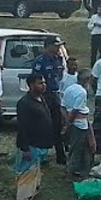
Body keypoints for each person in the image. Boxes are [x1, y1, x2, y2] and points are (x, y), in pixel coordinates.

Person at [15, 75, 53, 200]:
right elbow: (22, 127)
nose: (43, 85)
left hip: (40, 144)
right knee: (27, 176)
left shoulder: (41, 99)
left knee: (35, 176)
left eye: (44, 82)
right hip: (30, 146)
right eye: (39, 83)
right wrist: (25, 149)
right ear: (30, 85)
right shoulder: (24, 103)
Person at [31, 36, 69, 165]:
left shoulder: (59, 59)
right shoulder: (40, 61)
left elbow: (60, 77)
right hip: (44, 95)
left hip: (55, 94)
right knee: (43, 125)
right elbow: (35, 79)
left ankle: (60, 155)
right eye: (56, 45)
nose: (58, 48)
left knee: (57, 125)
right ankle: (41, 155)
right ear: (48, 46)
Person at [62, 69, 95, 181]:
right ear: (87, 79)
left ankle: (79, 171)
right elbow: (75, 110)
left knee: (78, 148)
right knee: (77, 149)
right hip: (79, 124)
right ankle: (71, 173)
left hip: (74, 122)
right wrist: (69, 123)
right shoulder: (82, 92)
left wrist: (67, 122)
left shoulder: (69, 88)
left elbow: (63, 107)